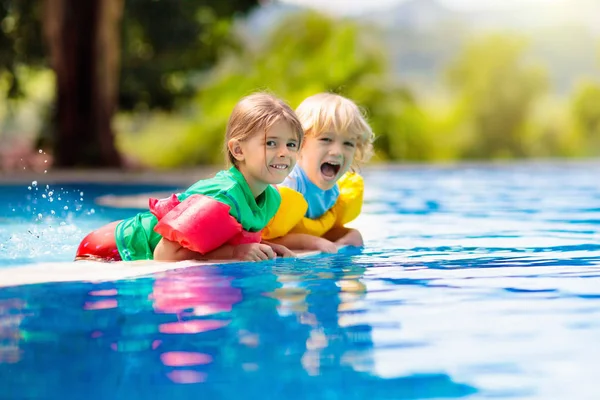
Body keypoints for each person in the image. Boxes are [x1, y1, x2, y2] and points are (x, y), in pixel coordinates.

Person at [75, 92, 303, 262]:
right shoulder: (222, 196)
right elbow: (164, 254)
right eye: (271, 143)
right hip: (110, 248)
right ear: (238, 150)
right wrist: (236, 253)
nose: (284, 152)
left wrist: (264, 246)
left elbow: (224, 235)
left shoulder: (270, 199)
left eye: (291, 144)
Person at [261, 93, 374, 253]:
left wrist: (349, 235)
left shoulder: (334, 192)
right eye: (326, 139)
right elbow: (263, 238)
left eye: (348, 143)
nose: (337, 152)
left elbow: (317, 229)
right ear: (300, 142)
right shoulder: (288, 182)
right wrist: (312, 242)